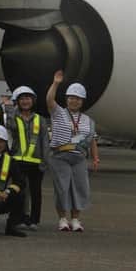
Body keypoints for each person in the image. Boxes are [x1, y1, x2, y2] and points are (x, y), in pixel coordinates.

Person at [46, 71, 99, 232]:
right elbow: (49, 100)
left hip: (79, 158)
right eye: (71, 97)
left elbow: (93, 140)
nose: (74, 100)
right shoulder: (58, 113)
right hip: (60, 157)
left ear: (82, 101)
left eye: (77, 98)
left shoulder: (88, 121)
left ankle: (75, 219)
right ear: (67, 99)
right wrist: (55, 83)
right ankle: (62, 219)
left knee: (80, 188)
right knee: (62, 188)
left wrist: (95, 158)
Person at [6, 85, 48, 229]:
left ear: (33, 101)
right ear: (17, 101)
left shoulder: (40, 119)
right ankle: (20, 217)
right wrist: (12, 109)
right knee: (20, 191)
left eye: (28, 98)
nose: (25, 101)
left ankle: (34, 220)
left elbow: (44, 141)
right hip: (18, 160)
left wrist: (45, 161)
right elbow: (9, 128)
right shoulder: (13, 117)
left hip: (36, 162)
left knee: (36, 192)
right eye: (22, 99)